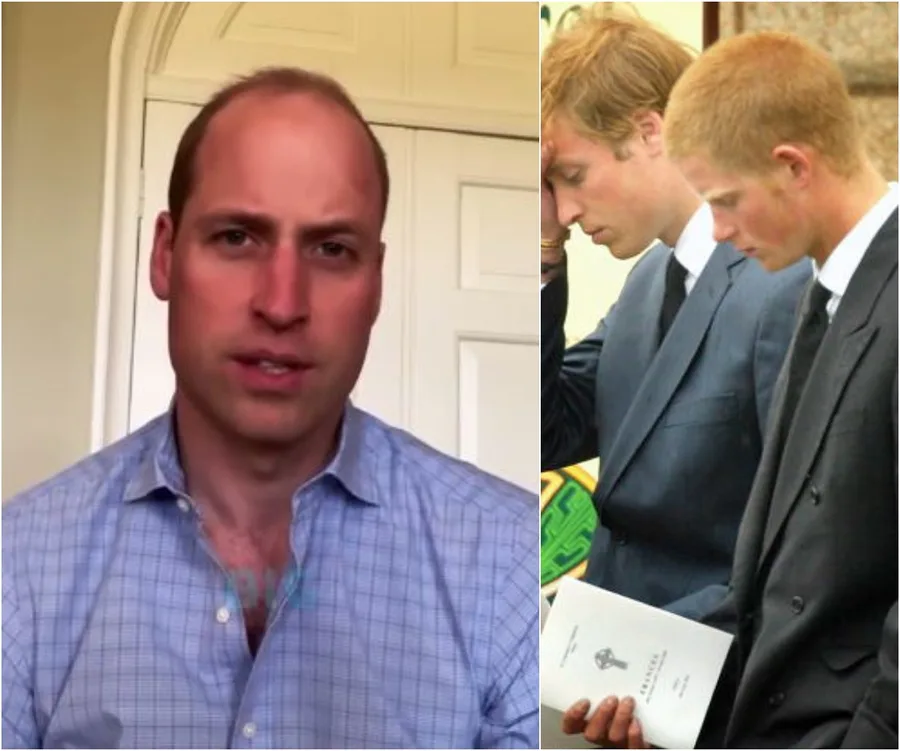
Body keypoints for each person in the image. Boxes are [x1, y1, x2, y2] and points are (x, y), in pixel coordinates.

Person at [1, 67, 539, 750]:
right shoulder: (19, 564)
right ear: (165, 255)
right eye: (237, 237)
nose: (282, 303)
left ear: (375, 282)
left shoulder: (508, 559)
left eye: (331, 249)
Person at [566, 29, 898, 749]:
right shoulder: (827, 293)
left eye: (725, 200)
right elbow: (772, 564)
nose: (715, 229)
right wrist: (652, 689)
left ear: (792, 166)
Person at [541, 11, 808, 625]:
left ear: (650, 131)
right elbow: (549, 430)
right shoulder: (645, 284)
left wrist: (658, 662)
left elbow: (795, 543)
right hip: (610, 677)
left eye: (573, 177)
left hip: (711, 682)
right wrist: (545, 252)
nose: (569, 209)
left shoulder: (784, 281)